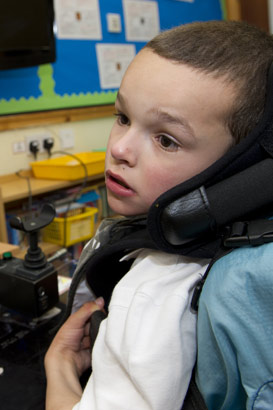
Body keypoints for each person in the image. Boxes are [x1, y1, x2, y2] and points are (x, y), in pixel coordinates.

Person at [44, 20, 273, 410]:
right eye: (123, 117)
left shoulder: (156, 291)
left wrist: (60, 370)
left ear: (238, 168)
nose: (120, 149)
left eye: (166, 140)